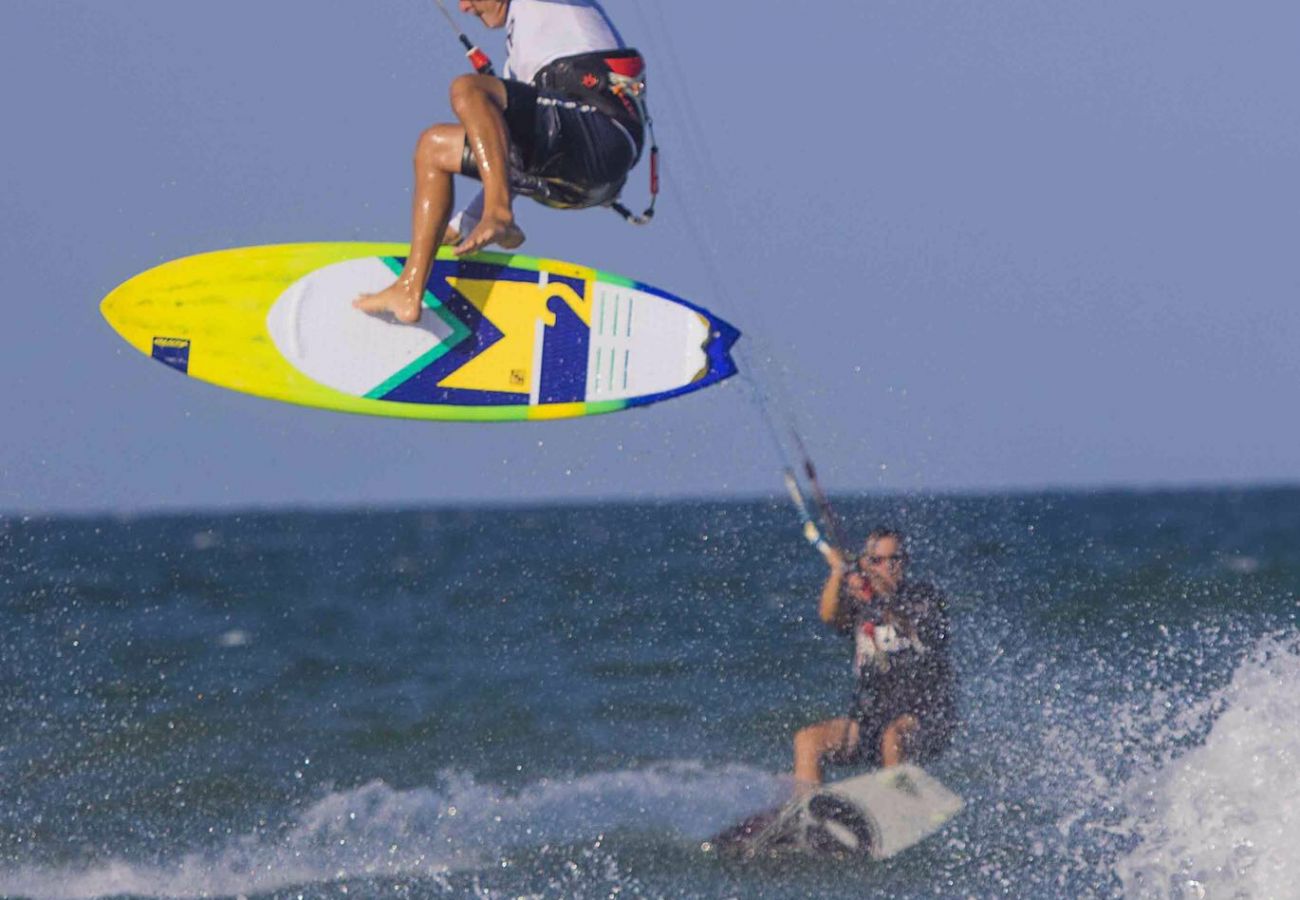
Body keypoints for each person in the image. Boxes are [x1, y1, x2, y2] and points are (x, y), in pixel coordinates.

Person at [355, 0, 648, 324]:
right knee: (432, 148)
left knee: (468, 88)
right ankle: (409, 287)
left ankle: (499, 211)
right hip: (568, 177)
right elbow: (501, 155)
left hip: (603, 130)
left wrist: (495, 209)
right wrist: (452, 230)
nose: (465, 7)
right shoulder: (518, 64)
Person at [792, 528, 956, 794]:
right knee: (808, 740)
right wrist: (838, 573)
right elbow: (829, 616)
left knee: (893, 738)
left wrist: (879, 597)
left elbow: (913, 624)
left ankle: (900, 808)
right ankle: (806, 817)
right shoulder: (861, 605)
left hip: (925, 719)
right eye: (878, 560)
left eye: (895, 559)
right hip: (873, 720)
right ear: (866, 564)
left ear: (906, 561)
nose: (888, 566)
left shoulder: (926, 598)